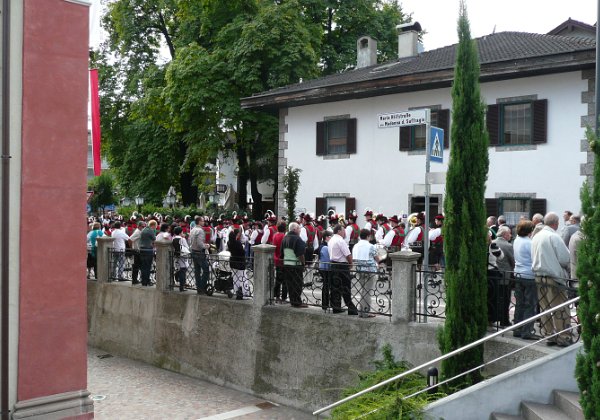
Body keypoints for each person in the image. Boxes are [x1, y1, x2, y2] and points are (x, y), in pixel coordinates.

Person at [531, 212, 572, 347]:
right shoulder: (553, 236)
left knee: (545, 307)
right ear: (555, 223)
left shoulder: (536, 236)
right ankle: (563, 336)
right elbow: (565, 258)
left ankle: (549, 335)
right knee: (560, 307)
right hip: (553, 277)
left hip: (539, 276)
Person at [512, 220, 539, 340]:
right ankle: (527, 331)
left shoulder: (516, 240)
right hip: (529, 275)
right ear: (530, 231)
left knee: (519, 303)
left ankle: (517, 328)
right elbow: (535, 259)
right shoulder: (529, 242)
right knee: (530, 304)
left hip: (518, 274)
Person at [328, 224, 359, 315]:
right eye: (343, 230)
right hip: (342, 265)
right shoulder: (340, 240)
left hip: (333, 264)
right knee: (346, 287)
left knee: (335, 287)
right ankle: (351, 308)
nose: (345, 232)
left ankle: (335, 307)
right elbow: (348, 254)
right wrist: (351, 264)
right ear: (339, 231)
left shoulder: (331, 240)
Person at [352, 229, 380, 318]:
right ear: (368, 236)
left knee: (363, 290)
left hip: (359, 270)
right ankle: (365, 312)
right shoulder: (371, 246)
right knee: (367, 291)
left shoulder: (356, 245)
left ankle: (361, 311)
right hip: (369, 270)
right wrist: (381, 262)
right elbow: (377, 258)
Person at [492, 225, 514, 327]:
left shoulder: (492, 242)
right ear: (505, 234)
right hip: (505, 276)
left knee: (495, 298)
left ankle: (494, 318)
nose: (510, 235)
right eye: (509, 233)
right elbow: (512, 261)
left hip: (494, 275)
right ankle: (504, 320)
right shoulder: (508, 246)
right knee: (505, 299)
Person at [280, 222, 307, 308]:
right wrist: (303, 263)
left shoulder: (285, 238)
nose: (300, 230)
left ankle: (293, 301)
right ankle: (297, 302)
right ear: (294, 229)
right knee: (297, 284)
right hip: (295, 265)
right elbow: (300, 254)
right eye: (299, 228)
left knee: (290, 284)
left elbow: (281, 253)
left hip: (286, 264)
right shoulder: (297, 239)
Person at [189, 216, 210, 295]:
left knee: (197, 271)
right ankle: (201, 287)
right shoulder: (200, 231)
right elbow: (200, 244)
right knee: (206, 269)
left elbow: (190, 241)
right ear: (199, 222)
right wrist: (207, 246)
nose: (204, 222)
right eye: (202, 221)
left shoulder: (192, 230)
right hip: (199, 252)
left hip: (193, 251)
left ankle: (199, 288)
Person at [227, 229, 248, 300]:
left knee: (235, 278)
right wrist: (243, 248)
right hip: (240, 262)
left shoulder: (229, 242)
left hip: (233, 261)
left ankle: (237, 291)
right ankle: (244, 293)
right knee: (243, 277)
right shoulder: (238, 243)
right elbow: (242, 252)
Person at [272, 222, 288, 304]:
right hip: (283, 259)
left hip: (276, 259)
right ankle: (284, 297)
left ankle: (276, 295)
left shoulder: (275, 235)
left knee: (278, 279)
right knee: (285, 280)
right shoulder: (284, 237)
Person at [172, 226, 190, 292]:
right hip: (183, 256)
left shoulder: (173, 239)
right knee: (183, 270)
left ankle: (177, 279)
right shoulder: (182, 239)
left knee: (180, 269)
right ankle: (181, 286)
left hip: (177, 256)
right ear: (180, 232)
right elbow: (187, 247)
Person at [318, 230, 333, 311]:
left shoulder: (323, 245)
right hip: (326, 268)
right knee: (326, 286)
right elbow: (329, 258)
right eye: (331, 237)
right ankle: (325, 304)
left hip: (323, 267)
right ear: (327, 237)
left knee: (326, 286)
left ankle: (325, 304)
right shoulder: (325, 247)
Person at [139, 220, 157, 286]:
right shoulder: (150, 231)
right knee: (148, 266)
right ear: (153, 225)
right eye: (155, 226)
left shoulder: (143, 230)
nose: (155, 227)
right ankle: (146, 281)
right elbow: (155, 240)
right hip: (148, 250)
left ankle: (143, 281)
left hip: (142, 249)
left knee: (143, 266)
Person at [129, 220, 145, 285]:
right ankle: (134, 280)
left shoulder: (139, 231)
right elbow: (130, 239)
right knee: (136, 266)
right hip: (136, 251)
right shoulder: (138, 232)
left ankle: (138, 279)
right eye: (143, 226)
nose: (144, 227)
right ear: (140, 226)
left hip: (138, 251)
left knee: (139, 266)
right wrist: (131, 248)